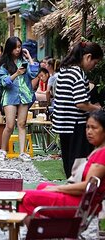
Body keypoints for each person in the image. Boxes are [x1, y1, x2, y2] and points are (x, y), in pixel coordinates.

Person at [19, 110, 105, 224]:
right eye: (87, 127)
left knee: (26, 196)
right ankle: (44, 228)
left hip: (81, 203)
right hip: (82, 200)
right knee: (42, 186)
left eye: (94, 128)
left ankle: (44, 231)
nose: (89, 132)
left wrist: (58, 188)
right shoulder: (98, 149)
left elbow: (87, 186)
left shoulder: (102, 154)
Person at [53, 42, 103, 178]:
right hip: (76, 125)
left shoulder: (64, 70)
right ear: (88, 57)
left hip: (63, 125)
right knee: (78, 165)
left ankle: (70, 191)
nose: (94, 66)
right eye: (95, 62)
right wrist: (97, 109)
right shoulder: (77, 73)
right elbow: (81, 103)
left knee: (69, 164)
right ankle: (76, 194)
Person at [0, 36, 39, 162]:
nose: (18, 50)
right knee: (9, 125)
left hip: (24, 96)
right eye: (15, 47)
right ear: (9, 49)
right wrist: (16, 74)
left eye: (19, 47)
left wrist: (29, 57)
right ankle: (3, 151)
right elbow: (2, 82)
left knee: (22, 124)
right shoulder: (4, 64)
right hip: (10, 96)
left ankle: (22, 152)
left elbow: (33, 74)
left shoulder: (24, 61)